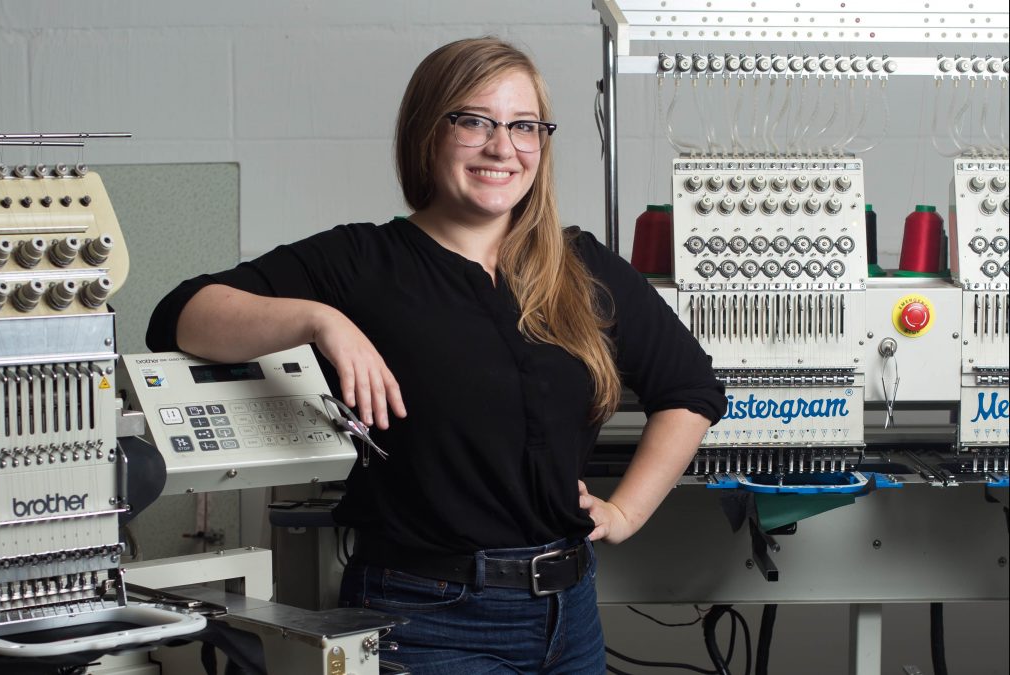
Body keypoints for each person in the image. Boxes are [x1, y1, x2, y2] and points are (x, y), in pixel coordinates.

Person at [147, 36, 725, 674]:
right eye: (474, 122)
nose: (502, 147)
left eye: (524, 126)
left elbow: (690, 388)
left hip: (570, 615)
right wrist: (319, 320)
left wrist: (626, 512)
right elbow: (181, 314)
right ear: (428, 131)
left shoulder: (580, 265)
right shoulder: (362, 263)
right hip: (427, 618)